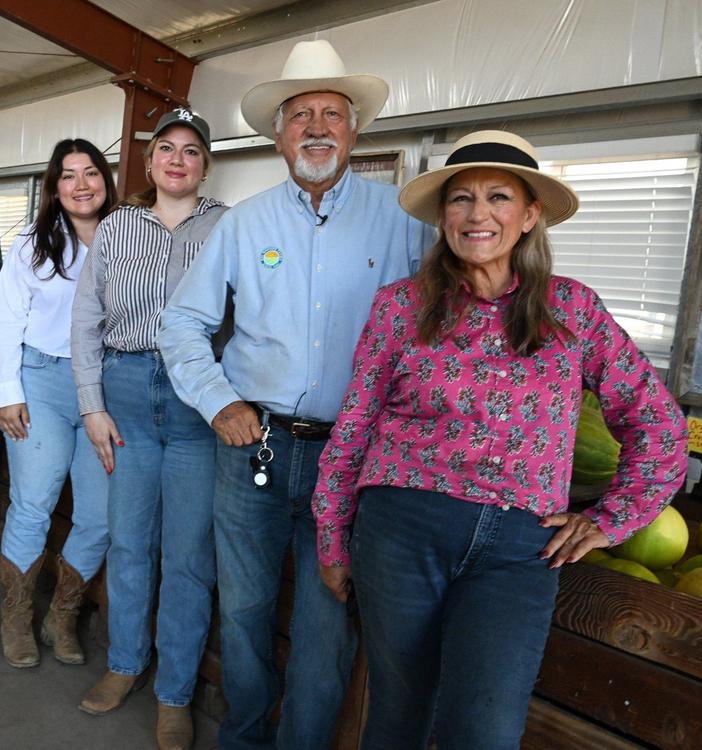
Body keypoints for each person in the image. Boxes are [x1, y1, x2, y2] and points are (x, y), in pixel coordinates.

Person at [311, 130, 689, 749]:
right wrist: (332, 535)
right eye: (460, 199)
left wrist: (615, 518)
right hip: (401, 529)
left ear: (530, 214)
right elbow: (354, 427)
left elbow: (657, 422)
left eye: (497, 197)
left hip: (518, 548)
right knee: (397, 714)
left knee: (484, 729)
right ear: (443, 216)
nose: (477, 214)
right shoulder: (400, 307)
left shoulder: (571, 308)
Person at [158, 40, 432, 750]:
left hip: (352, 459)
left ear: (354, 129)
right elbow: (181, 322)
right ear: (278, 134)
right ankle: (243, 739)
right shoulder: (245, 224)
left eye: (332, 113)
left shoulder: (404, 220)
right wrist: (219, 400)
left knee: (324, 623)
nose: (317, 126)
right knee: (245, 612)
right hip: (255, 449)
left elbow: (438, 329)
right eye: (301, 114)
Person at [70, 107, 227, 750]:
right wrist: (92, 404)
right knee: (129, 543)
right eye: (167, 148)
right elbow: (86, 318)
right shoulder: (115, 227)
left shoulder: (228, 226)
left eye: (191, 151)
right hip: (128, 392)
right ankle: (125, 664)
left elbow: (243, 314)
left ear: (204, 165)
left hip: (197, 402)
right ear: (149, 161)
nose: (178, 160)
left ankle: (175, 693)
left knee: (188, 558)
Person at [0, 139, 117, 668]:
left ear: (105, 181)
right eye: (69, 175)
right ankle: (16, 616)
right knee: (34, 502)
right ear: (54, 186)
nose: (81, 184)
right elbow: (4, 321)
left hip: (107, 391)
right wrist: (6, 393)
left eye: (91, 173)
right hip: (39, 379)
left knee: (100, 513)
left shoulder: (129, 240)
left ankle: (61, 615)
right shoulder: (31, 244)